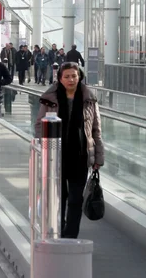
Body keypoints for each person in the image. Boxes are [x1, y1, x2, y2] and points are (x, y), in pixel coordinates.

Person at [34, 62, 104, 238]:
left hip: (80, 155)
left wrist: (98, 158)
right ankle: (58, 229)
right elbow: (39, 125)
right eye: (67, 76)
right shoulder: (50, 97)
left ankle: (71, 235)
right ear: (60, 78)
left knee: (75, 198)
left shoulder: (89, 98)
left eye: (74, 76)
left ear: (79, 76)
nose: (71, 79)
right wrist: (43, 148)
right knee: (59, 197)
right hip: (56, 154)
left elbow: (96, 129)